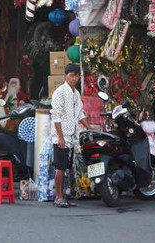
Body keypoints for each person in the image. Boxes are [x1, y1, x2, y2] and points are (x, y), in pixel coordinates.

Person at [50, 63, 87, 209]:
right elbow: (56, 116)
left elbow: (80, 113)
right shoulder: (59, 92)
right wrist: (60, 138)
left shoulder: (76, 93)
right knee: (60, 167)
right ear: (65, 76)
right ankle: (58, 196)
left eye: (76, 76)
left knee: (67, 167)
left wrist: (90, 127)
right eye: (71, 75)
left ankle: (64, 195)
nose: (74, 78)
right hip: (61, 136)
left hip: (71, 136)